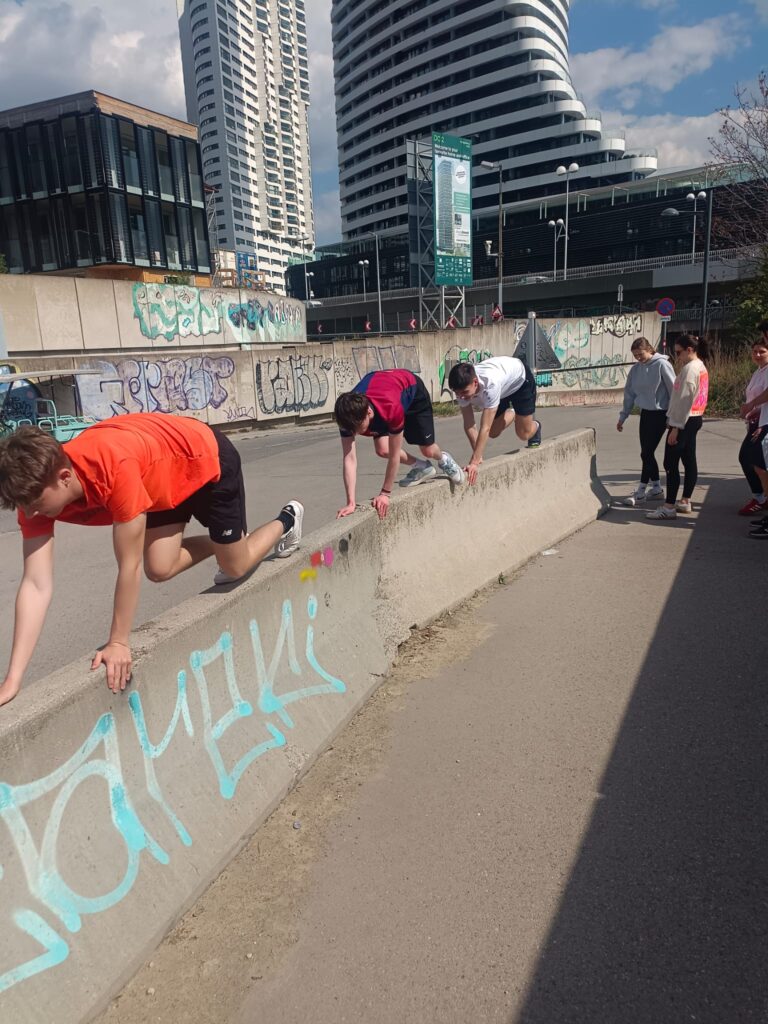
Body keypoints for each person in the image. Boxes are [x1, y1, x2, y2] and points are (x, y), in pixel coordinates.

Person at [0, 413, 303, 706]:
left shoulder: (113, 468)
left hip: (203, 456)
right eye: (24, 507)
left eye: (36, 504)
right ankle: (226, 544)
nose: (30, 514)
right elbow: (36, 584)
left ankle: (287, 519)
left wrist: (118, 641)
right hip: (157, 478)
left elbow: (127, 565)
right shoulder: (33, 496)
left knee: (235, 566)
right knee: (159, 568)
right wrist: (13, 679)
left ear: (64, 477)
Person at [334, 368, 464, 521]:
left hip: (413, 391)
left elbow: (394, 456)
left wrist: (385, 493)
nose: (354, 433)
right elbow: (349, 459)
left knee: (427, 450)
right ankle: (422, 467)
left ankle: (443, 459)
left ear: (368, 413)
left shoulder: (391, 408)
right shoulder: (347, 417)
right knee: (382, 450)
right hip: (384, 389)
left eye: (357, 429)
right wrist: (351, 502)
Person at [448, 356, 541, 485]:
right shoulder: (461, 391)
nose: (461, 397)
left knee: (523, 434)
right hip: (503, 388)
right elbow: (469, 424)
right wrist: (478, 455)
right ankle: (513, 414)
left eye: (464, 392)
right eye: (458, 394)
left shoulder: (490, 384)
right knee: (493, 432)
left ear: (475, 382)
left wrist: (474, 462)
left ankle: (535, 426)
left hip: (520, 381)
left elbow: (484, 427)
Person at [646, 334, 709, 521]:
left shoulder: (690, 369)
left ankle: (668, 506)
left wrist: (675, 427)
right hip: (694, 418)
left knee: (670, 463)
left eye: (679, 352)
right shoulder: (700, 366)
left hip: (684, 421)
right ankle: (685, 500)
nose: (677, 356)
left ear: (689, 350)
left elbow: (683, 400)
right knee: (689, 460)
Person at [616, 337, 675, 506]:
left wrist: (672, 417)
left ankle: (641, 491)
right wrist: (623, 416)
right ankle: (656, 488)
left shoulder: (662, 365)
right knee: (646, 452)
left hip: (661, 413)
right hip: (646, 414)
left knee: (646, 453)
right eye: (635, 356)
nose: (639, 358)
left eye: (640, 354)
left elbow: (674, 391)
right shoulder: (636, 369)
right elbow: (629, 393)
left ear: (649, 350)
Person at [736, 335, 768, 517]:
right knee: (752, 460)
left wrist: (751, 406)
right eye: (755, 351)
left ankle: (760, 498)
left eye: (762, 351)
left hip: (763, 423)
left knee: (752, 459)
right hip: (756, 420)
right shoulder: (759, 371)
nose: (757, 354)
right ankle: (761, 496)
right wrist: (752, 410)